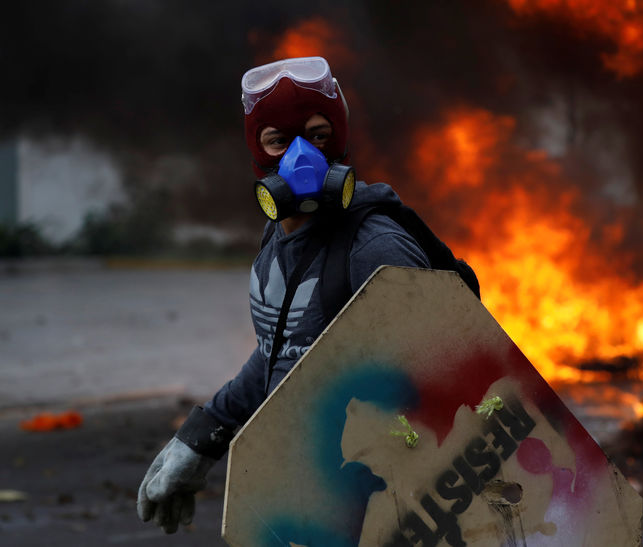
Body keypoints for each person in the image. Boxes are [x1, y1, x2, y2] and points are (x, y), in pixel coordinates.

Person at [136, 56, 430, 534]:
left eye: (318, 135)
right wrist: (201, 438)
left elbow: (445, 375)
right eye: (278, 140)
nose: (302, 158)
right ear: (258, 150)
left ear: (341, 137)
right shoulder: (277, 238)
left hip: (380, 509)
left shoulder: (375, 247)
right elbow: (284, 350)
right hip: (308, 500)